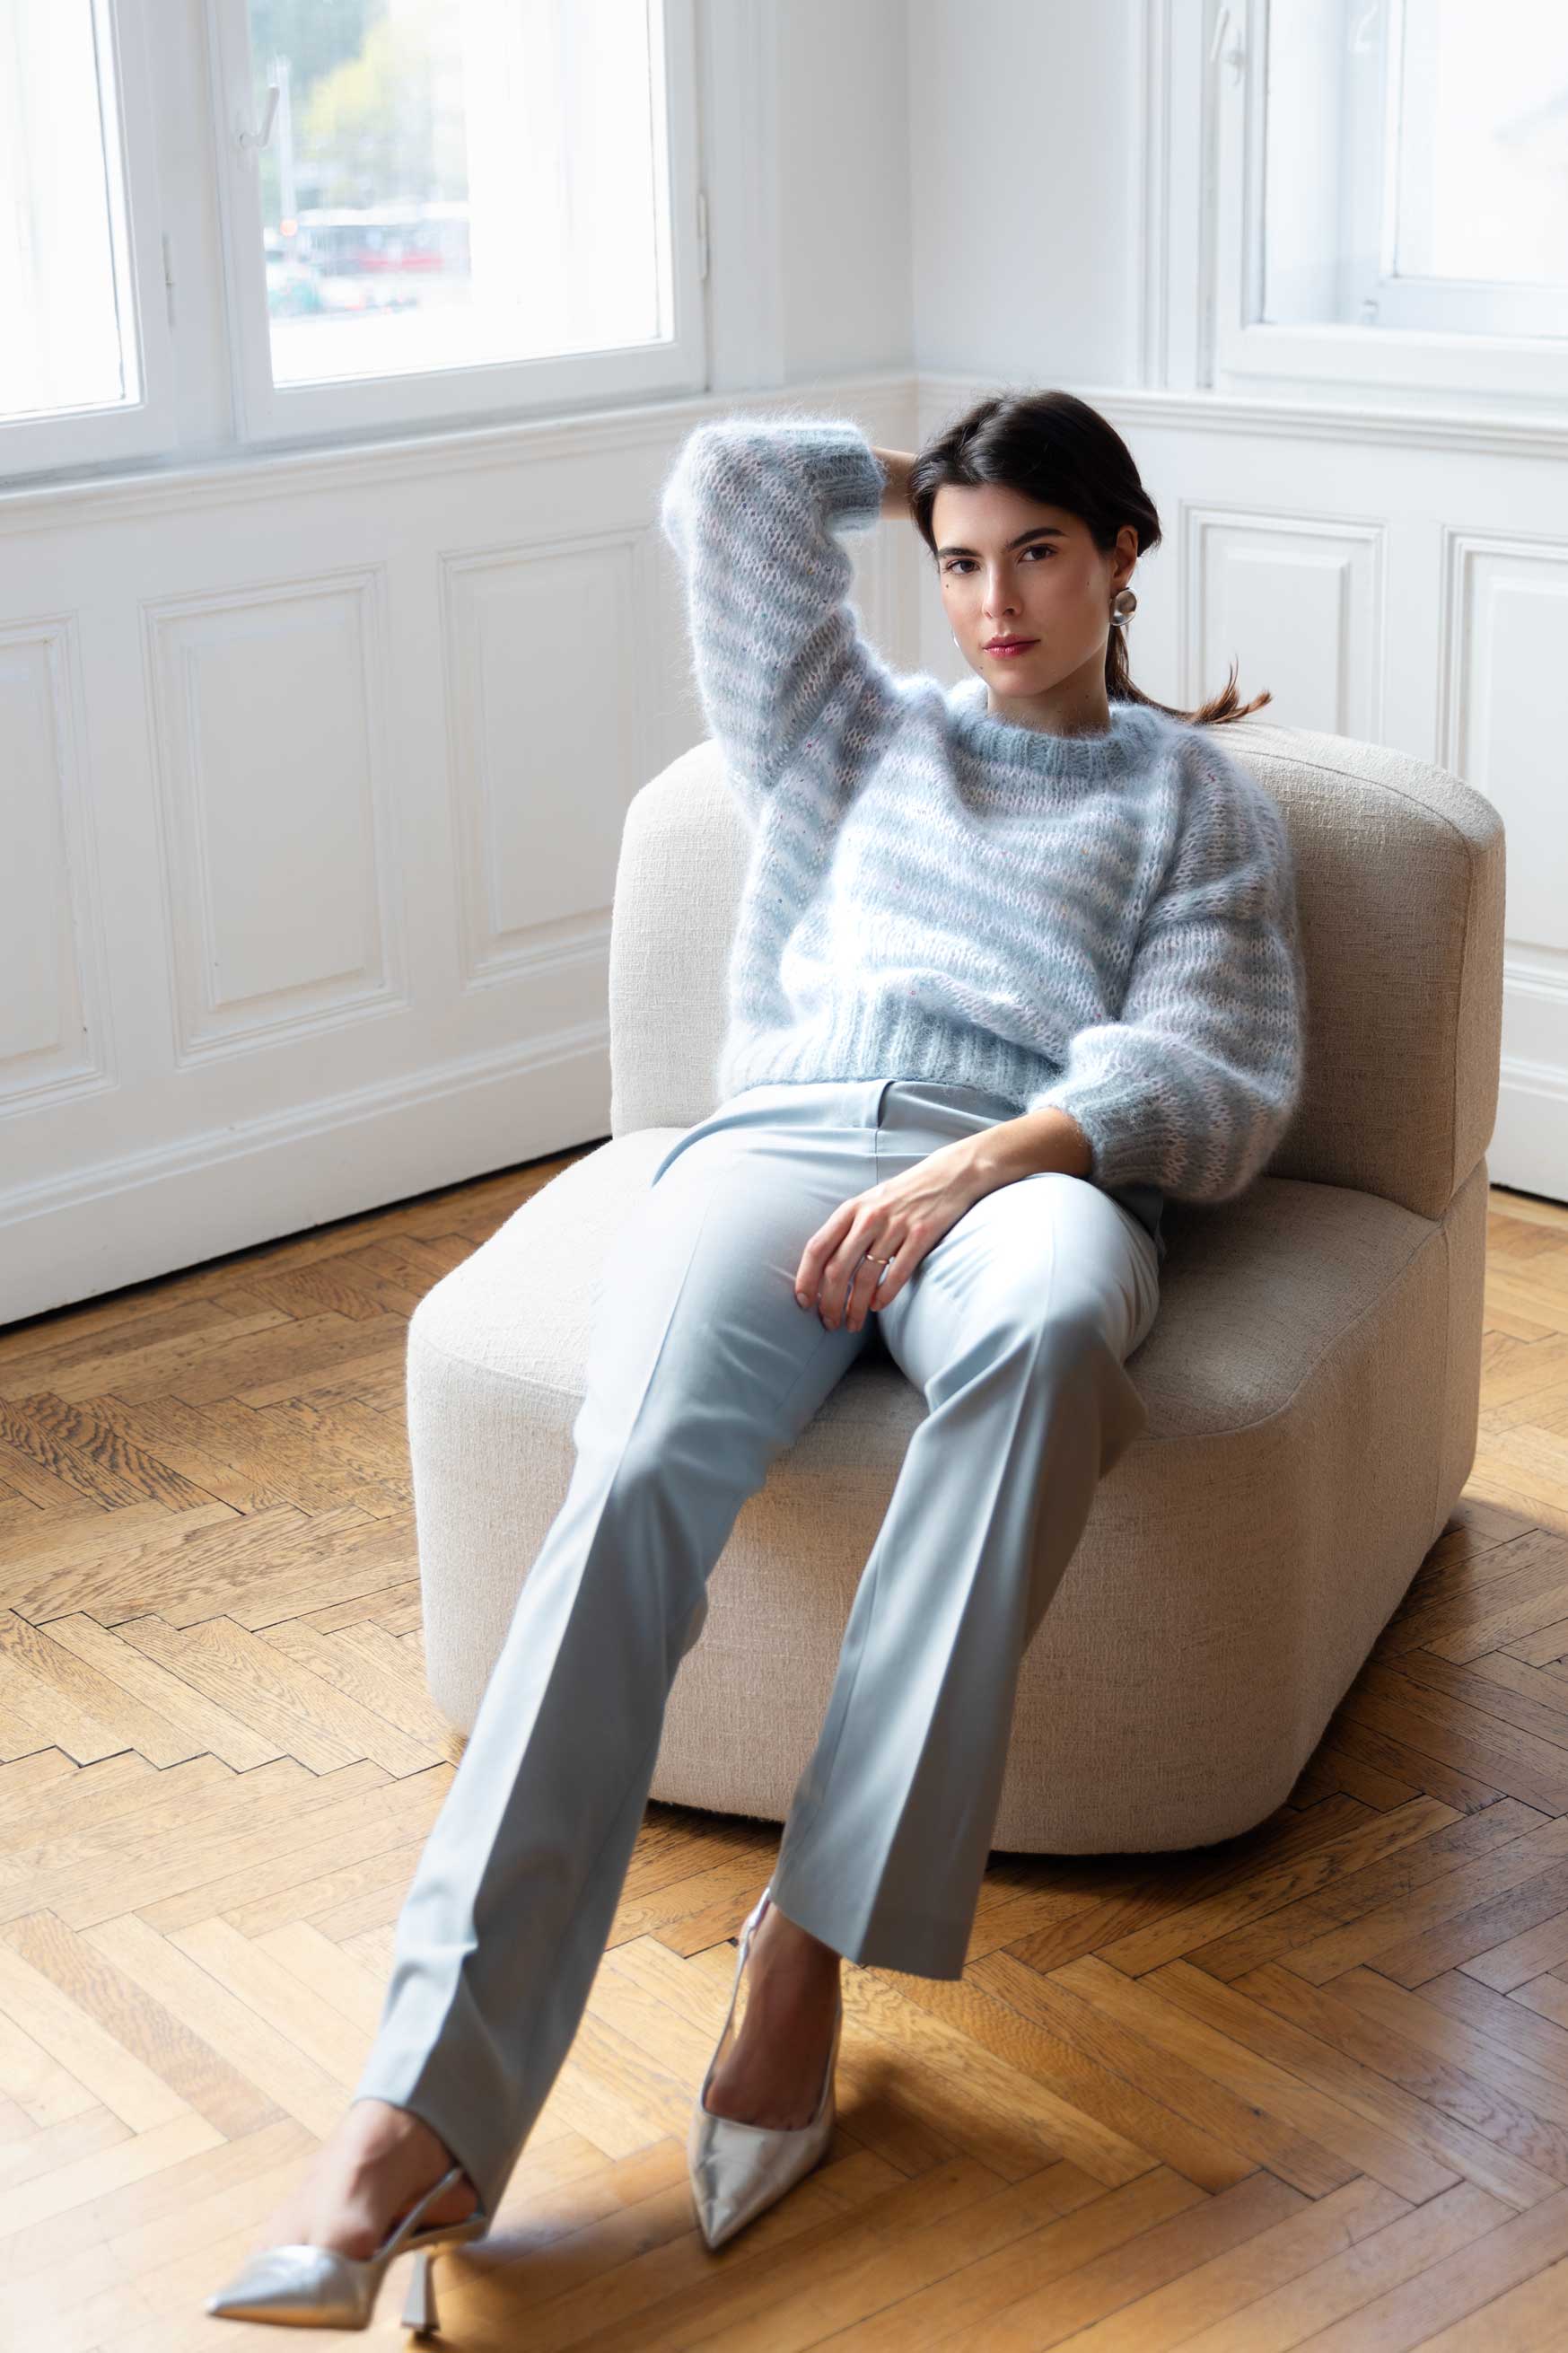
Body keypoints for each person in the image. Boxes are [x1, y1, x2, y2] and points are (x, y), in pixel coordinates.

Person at [206, 389, 1306, 2327]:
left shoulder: (1191, 800)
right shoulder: (846, 730)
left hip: (1025, 1172)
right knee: (630, 1478)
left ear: (1127, 552)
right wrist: (936, 475)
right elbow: (728, 488)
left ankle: (804, 1938)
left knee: (1053, 1330)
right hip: (788, 1147)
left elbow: (1216, 1086)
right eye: (958, 561)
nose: (991, 599)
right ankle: (417, 2112)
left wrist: (991, 1159)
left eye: (1040, 548)